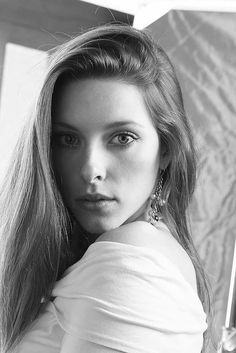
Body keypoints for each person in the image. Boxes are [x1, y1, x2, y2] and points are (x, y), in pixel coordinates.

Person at [0, 23, 212, 353]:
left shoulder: (132, 265)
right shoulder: (138, 252)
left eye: (122, 138)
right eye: (67, 140)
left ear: (166, 149)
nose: (90, 169)